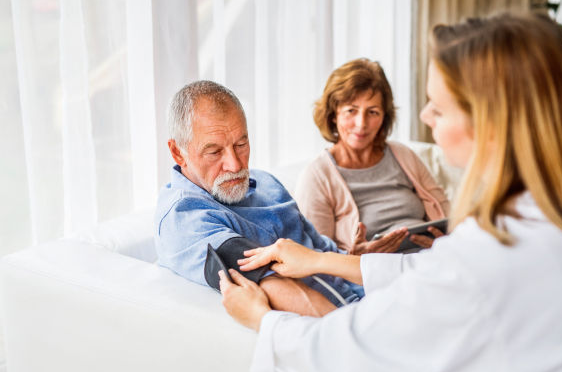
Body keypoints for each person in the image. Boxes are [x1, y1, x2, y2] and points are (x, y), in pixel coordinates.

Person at [220, 13, 562, 372]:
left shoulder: (482, 262)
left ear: (490, 123)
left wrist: (261, 319)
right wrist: (325, 260)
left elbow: (343, 356)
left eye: (438, 106)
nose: (425, 114)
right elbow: (429, 274)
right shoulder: (559, 217)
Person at [154, 81, 406, 316]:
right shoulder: (185, 218)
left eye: (241, 144)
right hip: (347, 320)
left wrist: (351, 257)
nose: (234, 164)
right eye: (214, 151)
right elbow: (271, 284)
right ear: (178, 152)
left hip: (380, 297)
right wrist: (358, 336)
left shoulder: (266, 183)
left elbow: (318, 248)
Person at [295, 58, 450, 255]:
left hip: (432, 258)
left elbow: (449, 216)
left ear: (385, 116)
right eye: (351, 111)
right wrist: (356, 257)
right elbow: (315, 255)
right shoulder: (316, 175)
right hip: (370, 273)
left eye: (373, 112)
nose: (361, 123)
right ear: (333, 114)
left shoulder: (402, 154)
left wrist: (444, 242)